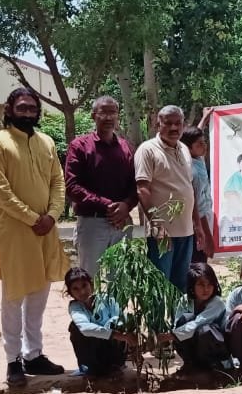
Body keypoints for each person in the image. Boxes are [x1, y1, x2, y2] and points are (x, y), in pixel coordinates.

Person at [0, 87, 70, 387]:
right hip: (14, 232)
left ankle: (34, 354)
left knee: (39, 295)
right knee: (14, 296)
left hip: (45, 230)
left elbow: (58, 181)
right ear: (9, 110)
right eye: (22, 108)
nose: (28, 113)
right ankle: (13, 360)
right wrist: (33, 218)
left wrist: (52, 216)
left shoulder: (46, 142)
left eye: (32, 108)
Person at [64, 95, 138, 278]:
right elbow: (72, 186)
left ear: (118, 116)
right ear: (93, 115)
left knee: (121, 281)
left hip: (122, 223)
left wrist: (126, 205)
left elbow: (135, 184)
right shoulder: (80, 146)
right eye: (103, 112)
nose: (109, 117)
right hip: (92, 223)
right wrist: (107, 205)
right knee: (89, 279)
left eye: (113, 112)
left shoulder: (126, 147)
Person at [135, 105, 204, 288]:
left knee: (180, 287)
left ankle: (177, 311)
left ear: (183, 125)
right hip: (162, 234)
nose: (174, 128)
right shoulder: (147, 150)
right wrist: (157, 225)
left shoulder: (184, 149)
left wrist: (197, 224)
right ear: (158, 124)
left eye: (178, 123)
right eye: (168, 123)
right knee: (160, 287)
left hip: (186, 232)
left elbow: (188, 188)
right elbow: (142, 189)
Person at [64, 267, 128, 378]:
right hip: (93, 355)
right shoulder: (75, 307)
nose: (82, 292)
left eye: (84, 286)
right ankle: (90, 368)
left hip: (112, 352)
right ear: (70, 293)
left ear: (92, 284)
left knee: (119, 324)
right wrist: (113, 334)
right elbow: (85, 328)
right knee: (75, 328)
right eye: (76, 289)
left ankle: (115, 366)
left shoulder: (108, 299)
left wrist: (113, 331)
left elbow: (119, 319)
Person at [172, 262, 231, 372]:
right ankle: (189, 363)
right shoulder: (185, 300)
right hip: (195, 347)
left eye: (209, 284)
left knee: (205, 330)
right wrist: (173, 334)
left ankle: (214, 366)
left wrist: (171, 335)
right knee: (184, 320)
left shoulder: (217, 303)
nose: (206, 289)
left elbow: (199, 322)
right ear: (192, 286)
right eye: (201, 285)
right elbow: (177, 324)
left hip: (217, 349)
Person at [180, 126, 216, 262]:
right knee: (197, 262)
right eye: (200, 144)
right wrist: (207, 235)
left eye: (204, 142)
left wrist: (204, 119)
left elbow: (193, 134)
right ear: (188, 148)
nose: (204, 146)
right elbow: (198, 206)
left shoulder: (198, 158)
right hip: (197, 224)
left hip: (204, 218)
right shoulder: (191, 170)